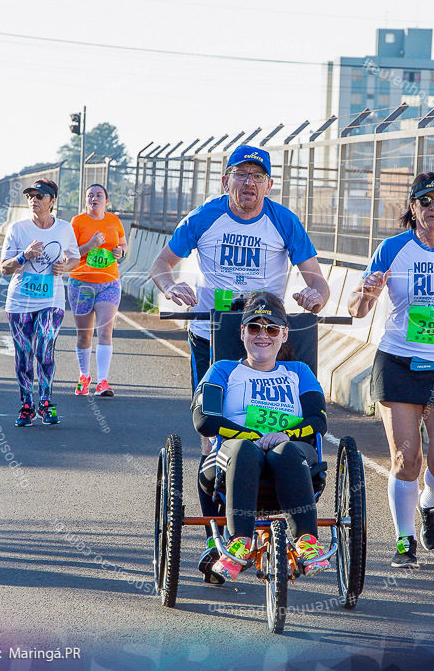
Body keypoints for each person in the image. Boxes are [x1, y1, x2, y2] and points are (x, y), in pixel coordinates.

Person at [148, 144, 331, 581]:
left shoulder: (283, 220)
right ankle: (221, 540)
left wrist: (314, 295)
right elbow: (160, 265)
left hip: (265, 330)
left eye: (257, 177)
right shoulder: (205, 217)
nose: (249, 184)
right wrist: (170, 286)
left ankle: (279, 532)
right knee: (214, 437)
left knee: (276, 423)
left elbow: (317, 279)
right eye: (241, 175)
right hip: (214, 333)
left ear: (269, 184)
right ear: (226, 179)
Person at [348, 171, 434, 569]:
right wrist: (368, 294)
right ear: (412, 208)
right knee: (406, 459)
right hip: (399, 364)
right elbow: (355, 307)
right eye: (425, 201)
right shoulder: (392, 249)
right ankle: (404, 539)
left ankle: (429, 506)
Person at [193, 292, 330, 582]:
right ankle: (239, 542)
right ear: (242, 332)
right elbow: (204, 419)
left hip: (290, 450)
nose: (262, 335)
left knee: (288, 452)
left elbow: (318, 420)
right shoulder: (223, 370)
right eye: (254, 327)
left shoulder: (299, 371)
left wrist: (284, 435)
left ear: (284, 334)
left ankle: (307, 540)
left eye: (271, 328)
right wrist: (252, 436)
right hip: (234, 454)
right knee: (243, 449)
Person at [0, 179, 80, 426]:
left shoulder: (64, 229)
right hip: (20, 302)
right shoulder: (18, 229)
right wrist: (24, 255)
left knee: (45, 348)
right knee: (24, 354)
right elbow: (4, 267)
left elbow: (75, 257)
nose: (34, 199)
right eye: (31, 195)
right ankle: (26, 405)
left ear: (52, 201)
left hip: (51, 300)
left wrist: (64, 267)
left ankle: (45, 401)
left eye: (40, 196)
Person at [66, 183, 127, 397]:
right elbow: (70, 254)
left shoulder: (114, 221)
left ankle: (103, 381)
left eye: (99, 195)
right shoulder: (78, 221)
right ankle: (84, 376)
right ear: (85, 200)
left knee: (105, 331)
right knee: (84, 335)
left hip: (109, 283)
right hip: (81, 284)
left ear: (106, 201)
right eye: (90, 195)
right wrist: (91, 244)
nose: (94, 198)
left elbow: (123, 244)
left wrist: (121, 252)